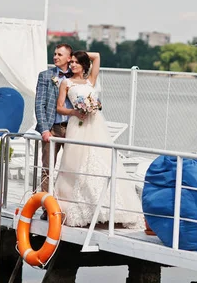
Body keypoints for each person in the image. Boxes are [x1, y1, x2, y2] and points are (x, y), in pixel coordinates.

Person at [54, 51, 143, 228]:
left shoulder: (90, 81)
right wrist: (75, 111)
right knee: (75, 163)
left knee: (101, 159)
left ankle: (110, 209)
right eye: (71, 62)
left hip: (95, 125)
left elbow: (97, 56)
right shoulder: (66, 83)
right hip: (77, 125)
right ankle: (79, 209)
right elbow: (59, 108)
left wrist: (80, 54)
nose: (72, 65)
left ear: (84, 65)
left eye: (76, 62)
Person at [34, 43, 73, 212]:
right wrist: (44, 129)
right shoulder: (45, 76)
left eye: (60, 54)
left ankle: (67, 207)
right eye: (55, 54)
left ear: (69, 58)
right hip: (53, 128)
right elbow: (39, 104)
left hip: (73, 128)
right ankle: (46, 208)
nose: (55, 57)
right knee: (47, 168)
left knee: (71, 168)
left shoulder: (77, 76)